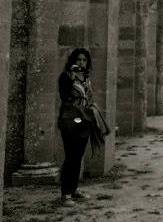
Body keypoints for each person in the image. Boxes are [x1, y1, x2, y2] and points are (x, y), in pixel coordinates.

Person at [57, 48, 109, 206]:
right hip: (70, 120)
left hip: (84, 120)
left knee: (78, 156)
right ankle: (65, 194)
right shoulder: (65, 77)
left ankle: (73, 190)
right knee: (70, 157)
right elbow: (64, 97)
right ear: (73, 60)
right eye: (78, 59)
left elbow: (89, 98)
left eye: (84, 60)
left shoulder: (86, 78)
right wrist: (73, 80)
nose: (81, 62)